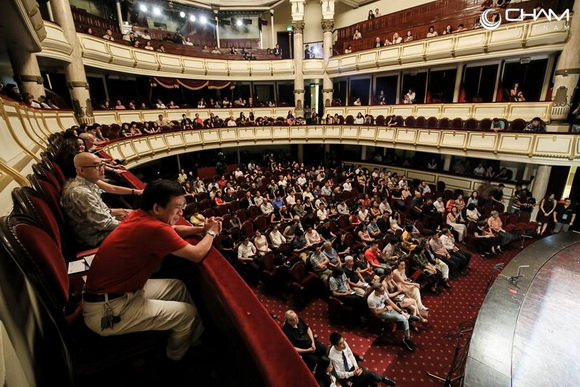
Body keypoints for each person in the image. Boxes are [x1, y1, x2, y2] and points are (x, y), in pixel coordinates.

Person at [82, 179, 221, 362]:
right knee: (188, 314)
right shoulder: (153, 228)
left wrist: (202, 228)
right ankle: (177, 357)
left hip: (119, 293)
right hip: (108, 310)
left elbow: (173, 230)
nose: (181, 212)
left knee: (176, 287)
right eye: (177, 207)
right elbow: (196, 254)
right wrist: (211, 233)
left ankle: (192, 337)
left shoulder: (140, 215)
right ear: (157, 208)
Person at [60, 153, 135, 248]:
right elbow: (105, 224)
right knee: (145, 230)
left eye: (102, 164)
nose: (102, 168)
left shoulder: (88, 182)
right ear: (81, 170)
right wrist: (134, 223)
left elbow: (99, 211)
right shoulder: (81, 193)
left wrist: (123, 213)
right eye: (96, 166)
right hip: (95, 238)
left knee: (135, 214)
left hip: (99, 227)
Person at [329, 332, 396, 386]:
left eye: (344, 340)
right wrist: (352, 373)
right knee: (371, 375)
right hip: (348, 376)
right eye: (341, 343)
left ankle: (380, 380)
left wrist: (356, 366)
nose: (344, 344)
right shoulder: (332, 357)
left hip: (354, 367)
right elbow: (338, 374)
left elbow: (350, 354)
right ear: (335, 346)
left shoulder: (344, 344)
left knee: (370, 379)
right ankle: (384, 379)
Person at [367, 282, 416, 351]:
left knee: (404, 319)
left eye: (383, 290)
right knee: (402, 318)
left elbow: (390, 302)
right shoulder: (371, 299)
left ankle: (406, 339)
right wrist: (385, 310)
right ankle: (408, 316)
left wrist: (400, 311)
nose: (383, 292)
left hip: (387, 308)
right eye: (381, 291)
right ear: (376, 291)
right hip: (382, 313)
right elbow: (375, 312)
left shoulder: (383, 292)